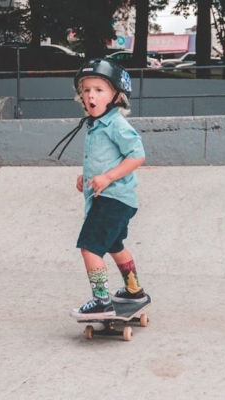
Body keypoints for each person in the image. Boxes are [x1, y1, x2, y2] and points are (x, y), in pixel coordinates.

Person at [60, 58, 149, 319]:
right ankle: (134, 291)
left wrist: (108, 177)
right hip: (113, 199)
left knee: (90, 246)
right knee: (115, 245)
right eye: (86, 90)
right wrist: (87, 176)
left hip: (113, 198)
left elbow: (137, 155)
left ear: (116, 96)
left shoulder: (116, 123)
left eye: (99, 90)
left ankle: (101, 301)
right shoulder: (96, 124)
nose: (91, 95)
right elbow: (104, 158)